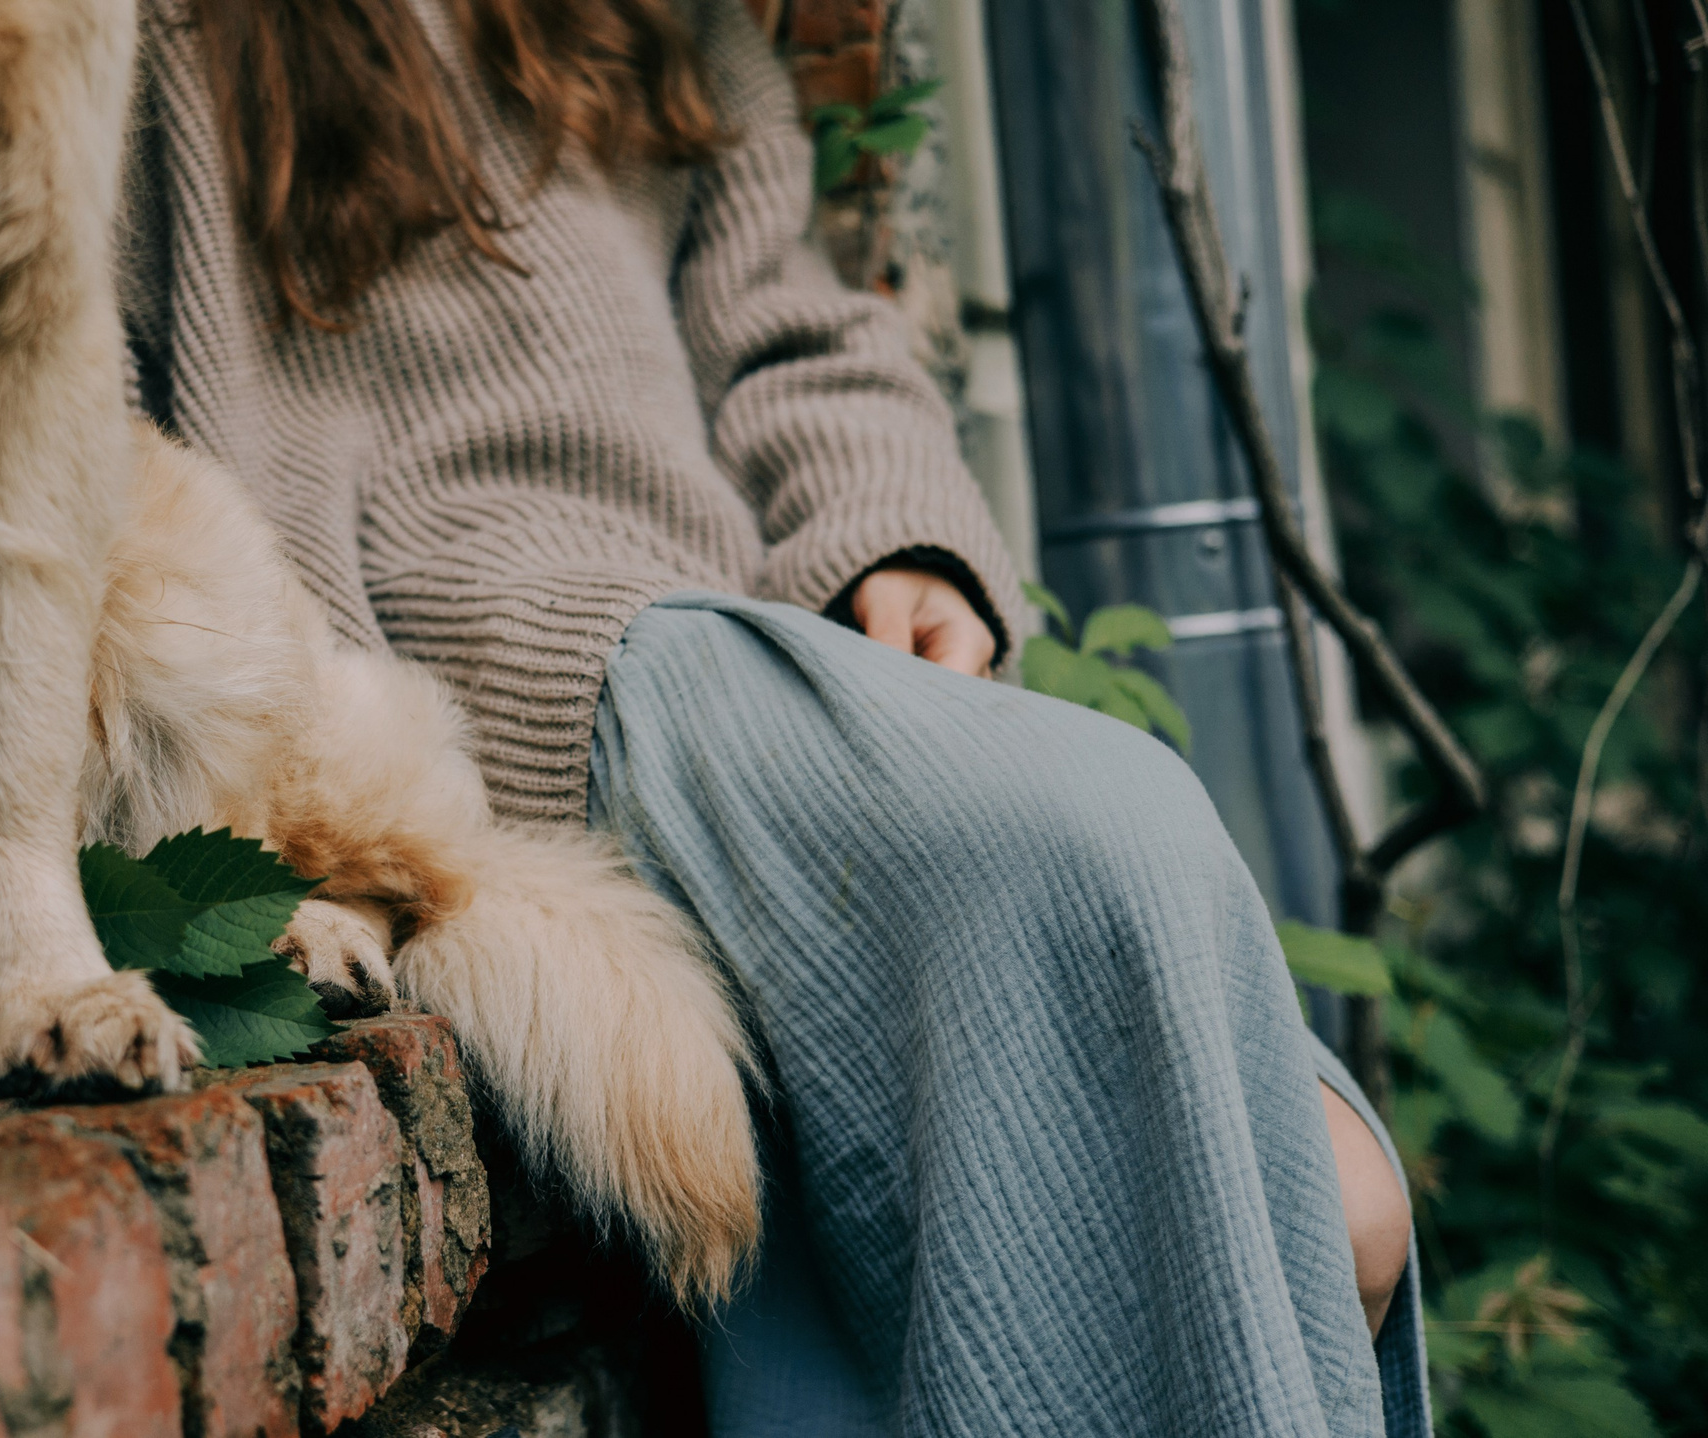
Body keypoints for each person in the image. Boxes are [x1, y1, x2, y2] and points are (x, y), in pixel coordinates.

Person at [117, 0, 1425, 1431]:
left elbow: (791, 334)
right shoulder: (156, 40)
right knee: (1128, 829)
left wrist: (894, 543)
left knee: (1353, 1216)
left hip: (738, 652)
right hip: (498, 679)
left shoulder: (652, 25)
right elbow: (75, 429)